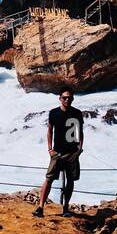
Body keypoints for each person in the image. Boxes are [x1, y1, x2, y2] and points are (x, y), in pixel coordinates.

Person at [35, 87, 83, 217]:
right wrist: (50, 149)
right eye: (65, 97)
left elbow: (80, 132)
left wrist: (80, 149)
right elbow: (50, 131)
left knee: (70, 180)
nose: (67, 100)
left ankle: (66, 208)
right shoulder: (54, 113)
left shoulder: (77, 113)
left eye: (70, 98)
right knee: (49, 179)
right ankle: (40, 207)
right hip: (57, 153)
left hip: (72, 153)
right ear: (60, 98)